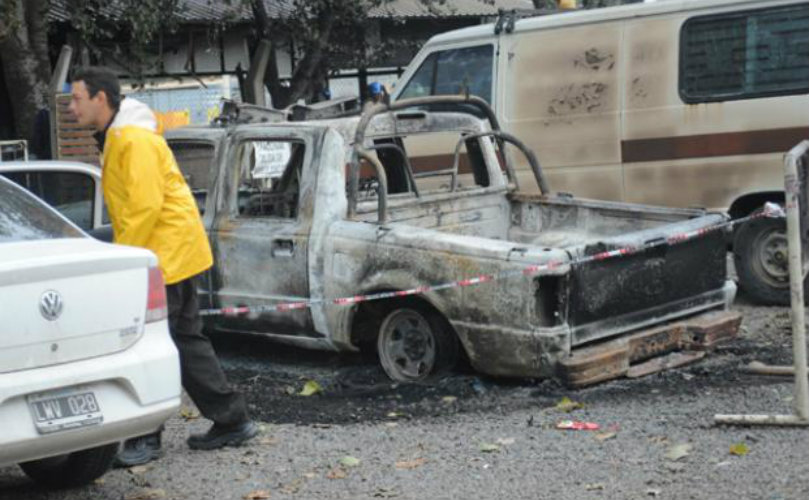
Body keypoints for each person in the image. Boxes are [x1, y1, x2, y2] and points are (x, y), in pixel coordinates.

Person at [68, 67, 258, 467]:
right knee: (184, 339)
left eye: (76, 98)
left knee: (146, 343)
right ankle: (231, 420)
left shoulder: (130, 139)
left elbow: (142, 207)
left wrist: (125, 263)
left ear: (100, 99)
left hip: (162, 256)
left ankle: (145, 438)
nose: (71, 108)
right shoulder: (125, 134)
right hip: (175, 251)